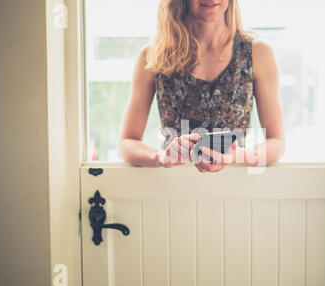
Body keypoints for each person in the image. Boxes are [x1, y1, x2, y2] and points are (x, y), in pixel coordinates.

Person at [118, 0, 285, 173]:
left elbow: (277, 142)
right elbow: (126, 143)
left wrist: (237, 156)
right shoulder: (153, 56)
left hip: (235, 184)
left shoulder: (258, 53)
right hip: (173, 186)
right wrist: (161, 156)